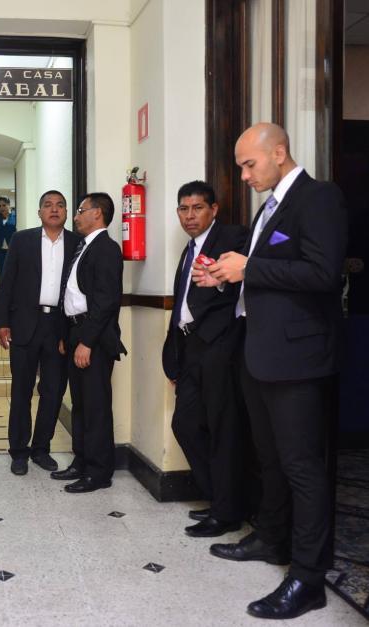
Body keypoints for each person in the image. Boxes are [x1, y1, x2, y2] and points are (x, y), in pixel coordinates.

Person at [195, 122, 347, 620]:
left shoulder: (318, 198)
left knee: (303, 467)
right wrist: (222, 276)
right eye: (240, 166)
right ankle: (271, 538)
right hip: (258, 353)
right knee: (271, 458)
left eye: (249, 164)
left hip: (297, 359)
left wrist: (249, 268)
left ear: (279, 152)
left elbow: (323, 274)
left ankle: (308, 577)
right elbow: (263, 277)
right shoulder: (268, 210)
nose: (243, 175)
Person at [161, 181, 248, 538]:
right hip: (191, 348)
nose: (190, 215)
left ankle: (227, 512)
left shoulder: (233, 237)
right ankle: (219, 499)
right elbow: (183, 303)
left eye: (197, 208)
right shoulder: (189, 249)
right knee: (186, 424)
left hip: (221, 348)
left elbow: (244, 281)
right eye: (184, 209)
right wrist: (175, 357)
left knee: (223, 430)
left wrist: (223, 281)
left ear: (213, 209)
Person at [0, 190, 76, 476]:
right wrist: (1, 321)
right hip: (25, 324)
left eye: (60, 205)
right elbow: (7, 283)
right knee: (21, 390)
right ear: (39, 212)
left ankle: (41, 448)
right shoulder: (22, 240)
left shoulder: (77, 244)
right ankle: (18, 451)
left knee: (53, 391)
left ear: (67, 212)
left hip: (59, 327)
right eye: (48, 205)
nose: (54, 210)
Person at [51, 192, 126, 493]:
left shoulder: (106, 249)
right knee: (80, 405)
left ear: (97, 213)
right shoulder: (84, 247)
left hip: (91, 337)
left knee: (95, 407)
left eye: (81, 210)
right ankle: (81, 462)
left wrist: (87, 342)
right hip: (75, 333)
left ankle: (99, 472)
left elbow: (106, 302)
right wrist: (66, 336)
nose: (77, 215)